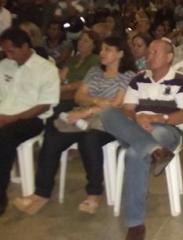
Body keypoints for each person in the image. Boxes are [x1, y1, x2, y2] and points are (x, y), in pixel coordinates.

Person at [13, 36, 136, 215]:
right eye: (101, 49)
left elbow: (116, 104)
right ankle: (41, 193)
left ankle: (94, 193)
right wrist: (97, 100)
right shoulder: (94, 71)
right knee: (53, 136)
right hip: (82, 118)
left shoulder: (128, 75)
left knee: (89, 140)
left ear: (120, 53)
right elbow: (79, 96)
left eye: (107, 49)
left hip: (110, 122)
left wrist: (87, 111)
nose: (102, 53)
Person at [99, 38, 183, 240]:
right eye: (149, 52)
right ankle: (154, 150)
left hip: (166, 130)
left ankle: (135, 224)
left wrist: (160, 117)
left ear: (169, 57)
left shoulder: (181, 81)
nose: (149, 56)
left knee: (135, 152)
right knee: (108, 113)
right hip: (135, 127)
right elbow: (127, 109)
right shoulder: (139, 79)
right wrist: (138, 117)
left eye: (155, 52)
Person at [0, 28, 60, 216]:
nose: (8, 55)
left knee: (4, 137)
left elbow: (44, 104)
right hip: (3, 113)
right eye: (5, 51)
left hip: (30, 119)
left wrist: (12, 118)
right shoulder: (4, 65)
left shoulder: (46, 69)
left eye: (12, 51)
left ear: (25, 46)